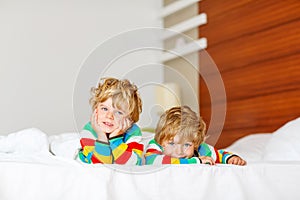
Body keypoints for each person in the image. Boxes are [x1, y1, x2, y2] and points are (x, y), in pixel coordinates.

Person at [145, 106, 246, 165]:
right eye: (172, 143)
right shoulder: (155, 144)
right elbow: (151, 161)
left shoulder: (201, 149)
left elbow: (219, 154)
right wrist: (196, 161)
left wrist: (231, 158)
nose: (179, 151)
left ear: (196, 144)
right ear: (161, 141)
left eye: (186, 145)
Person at [78, 77, 144, 165]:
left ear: (130, 120)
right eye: (104, 109)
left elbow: (134, 164)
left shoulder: (133, 132)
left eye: (119, 112)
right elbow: (100, 164)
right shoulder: (90, 129)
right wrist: (101, 137)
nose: (109, 116)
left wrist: (115, 138)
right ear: (95, 110)